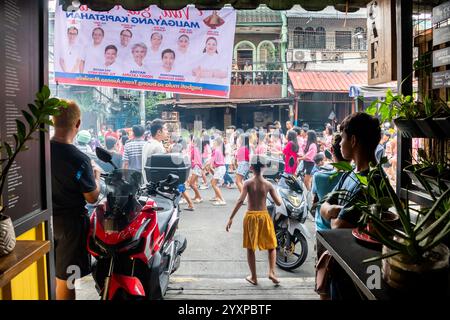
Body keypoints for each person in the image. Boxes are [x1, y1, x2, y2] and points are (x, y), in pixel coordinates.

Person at [319, 112, 381, 300]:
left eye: (343, 138)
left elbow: (338, 227)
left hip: (362, 271)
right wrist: (330, 211)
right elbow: (324, 206)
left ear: (353, 140)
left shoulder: (373, 181)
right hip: (342, 267)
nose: (339, 143)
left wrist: (330, 214)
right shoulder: (350, 173)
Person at [50, 100, 101, 300]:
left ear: (53, 121)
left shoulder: (41, 152)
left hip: (45, 222)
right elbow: (92, 196)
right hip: (70, 226)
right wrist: (96, 177)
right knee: (68, 279)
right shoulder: (79, 159)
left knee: (54, 273)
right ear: (77, 123)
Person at [226, 155, 282, 286]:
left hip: (250, 217)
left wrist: (230, 218)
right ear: (264, 167)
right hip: (263, 216)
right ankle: (272, 272)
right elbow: (278, 203)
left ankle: (254, 277)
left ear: (251, 167)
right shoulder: (268, 184)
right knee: (272, 246)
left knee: (250, 248)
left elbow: (240, 201)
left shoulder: (247, 183)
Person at [311, 133, 349, 300]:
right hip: (347, 235)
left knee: (323, 278)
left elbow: (315, 202)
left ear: (332, 151)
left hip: (324, 233)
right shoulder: (356, 177)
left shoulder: (319, 176)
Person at [210, 136, 227, 206]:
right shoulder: (219, 150)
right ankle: (217, 197)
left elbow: (211, 162)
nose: (212, 143)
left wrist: (206, 167)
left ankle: (222, 200)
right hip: (220, 168)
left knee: (214, 184)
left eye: (213, 142)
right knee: (213, 182)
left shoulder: (216, 151)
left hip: (220, 168)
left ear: (216, 143)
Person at [189, 136, 203, 203]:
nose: (191, 142)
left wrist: (194, 165)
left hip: (196, 167)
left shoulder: (195, 149)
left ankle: (199, 197)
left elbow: (196, 159)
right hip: (196, 167)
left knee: (191, 183)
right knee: (193, 183)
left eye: (192, 141)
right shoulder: (196, 148)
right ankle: (196, 196)